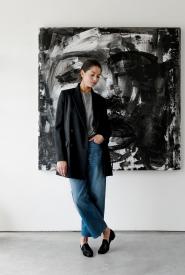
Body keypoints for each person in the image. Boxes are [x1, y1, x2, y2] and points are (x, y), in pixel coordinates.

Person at [54, 59, 115, 257]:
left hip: (95, 149)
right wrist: (61, 158)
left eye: (98, 76)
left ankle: (84, 240)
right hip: (74, 153)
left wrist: (102, 136)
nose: (96, 79)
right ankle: (106, 232)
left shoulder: (100, 101)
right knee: (80, 197)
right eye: (92, 75)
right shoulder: (67, 96)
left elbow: (106, 127)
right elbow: (58, 129)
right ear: (82, 73)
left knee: (97, 197)